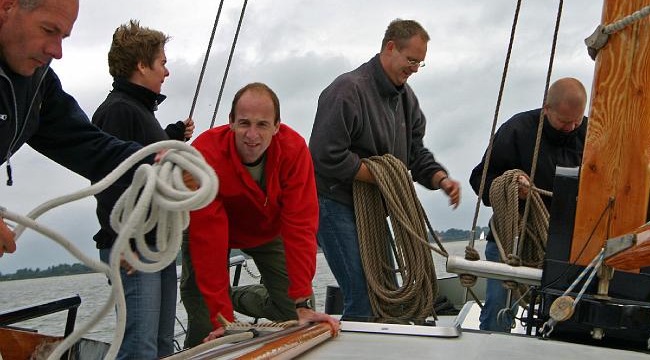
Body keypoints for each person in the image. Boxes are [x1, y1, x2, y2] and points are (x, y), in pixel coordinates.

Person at [309, 18, 461, 320]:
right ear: (390, 48)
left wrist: (439, 178)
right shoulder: (347, 90)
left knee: (386, 295)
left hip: (374, 211)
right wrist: (380, 176)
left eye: (420, 63)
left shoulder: (406, 99)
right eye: (411, 60)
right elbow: (324, 155)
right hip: (333, 204)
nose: (415, 69)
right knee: (364, 298)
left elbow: (414, 152)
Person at [0, 0, 142, 257]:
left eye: (63, 36)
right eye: (48, 30)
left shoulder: (38, 82)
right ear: (7, 6)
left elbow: (88, 146)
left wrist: (160, 164)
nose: (57, 51)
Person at [181, 82, 339, 347]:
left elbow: (300, 225)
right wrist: (222, 319)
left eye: (262, 124)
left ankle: (236, 296)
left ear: (277, 126)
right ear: (231, 122)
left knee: (295, 313)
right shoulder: (205, 154)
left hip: (267, 230)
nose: (252, 135)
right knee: (207, 327)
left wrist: (302, 301)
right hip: (210, 232)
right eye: (244, 123)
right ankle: (218, 311)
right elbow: (209, 239)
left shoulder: (294, 150)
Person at [92, 20, 194, 359]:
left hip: (154, 244)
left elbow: (143, 158)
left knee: (162, 346)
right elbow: (112, 182)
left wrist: (171, 135)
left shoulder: (137, 110)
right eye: (162, 62)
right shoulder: (118, 110)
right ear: (141, 65)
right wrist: (126, 242)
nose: (167, 71)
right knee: (140, 348)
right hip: (133, 248)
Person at [469, 77, 587, 332]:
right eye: (564, 122)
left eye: (576, 121)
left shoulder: (591, 135)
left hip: (566, 247)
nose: (571, 128)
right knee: (498, 309)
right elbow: (480, 178)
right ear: (546, 109)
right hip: (510, 241)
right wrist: (510, 186)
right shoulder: (517, 130)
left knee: (563, 317)